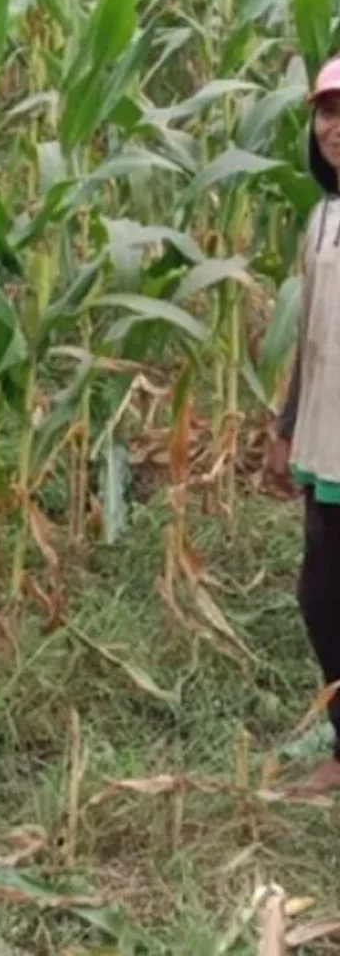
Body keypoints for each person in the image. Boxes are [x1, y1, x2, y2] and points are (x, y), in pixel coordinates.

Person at [270, 55, 340, 792]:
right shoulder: (322, 218)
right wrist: (285, 423)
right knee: (321, 597)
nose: (334, 127)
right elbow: (312, 336)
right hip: (326, 442)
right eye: (326, 112)